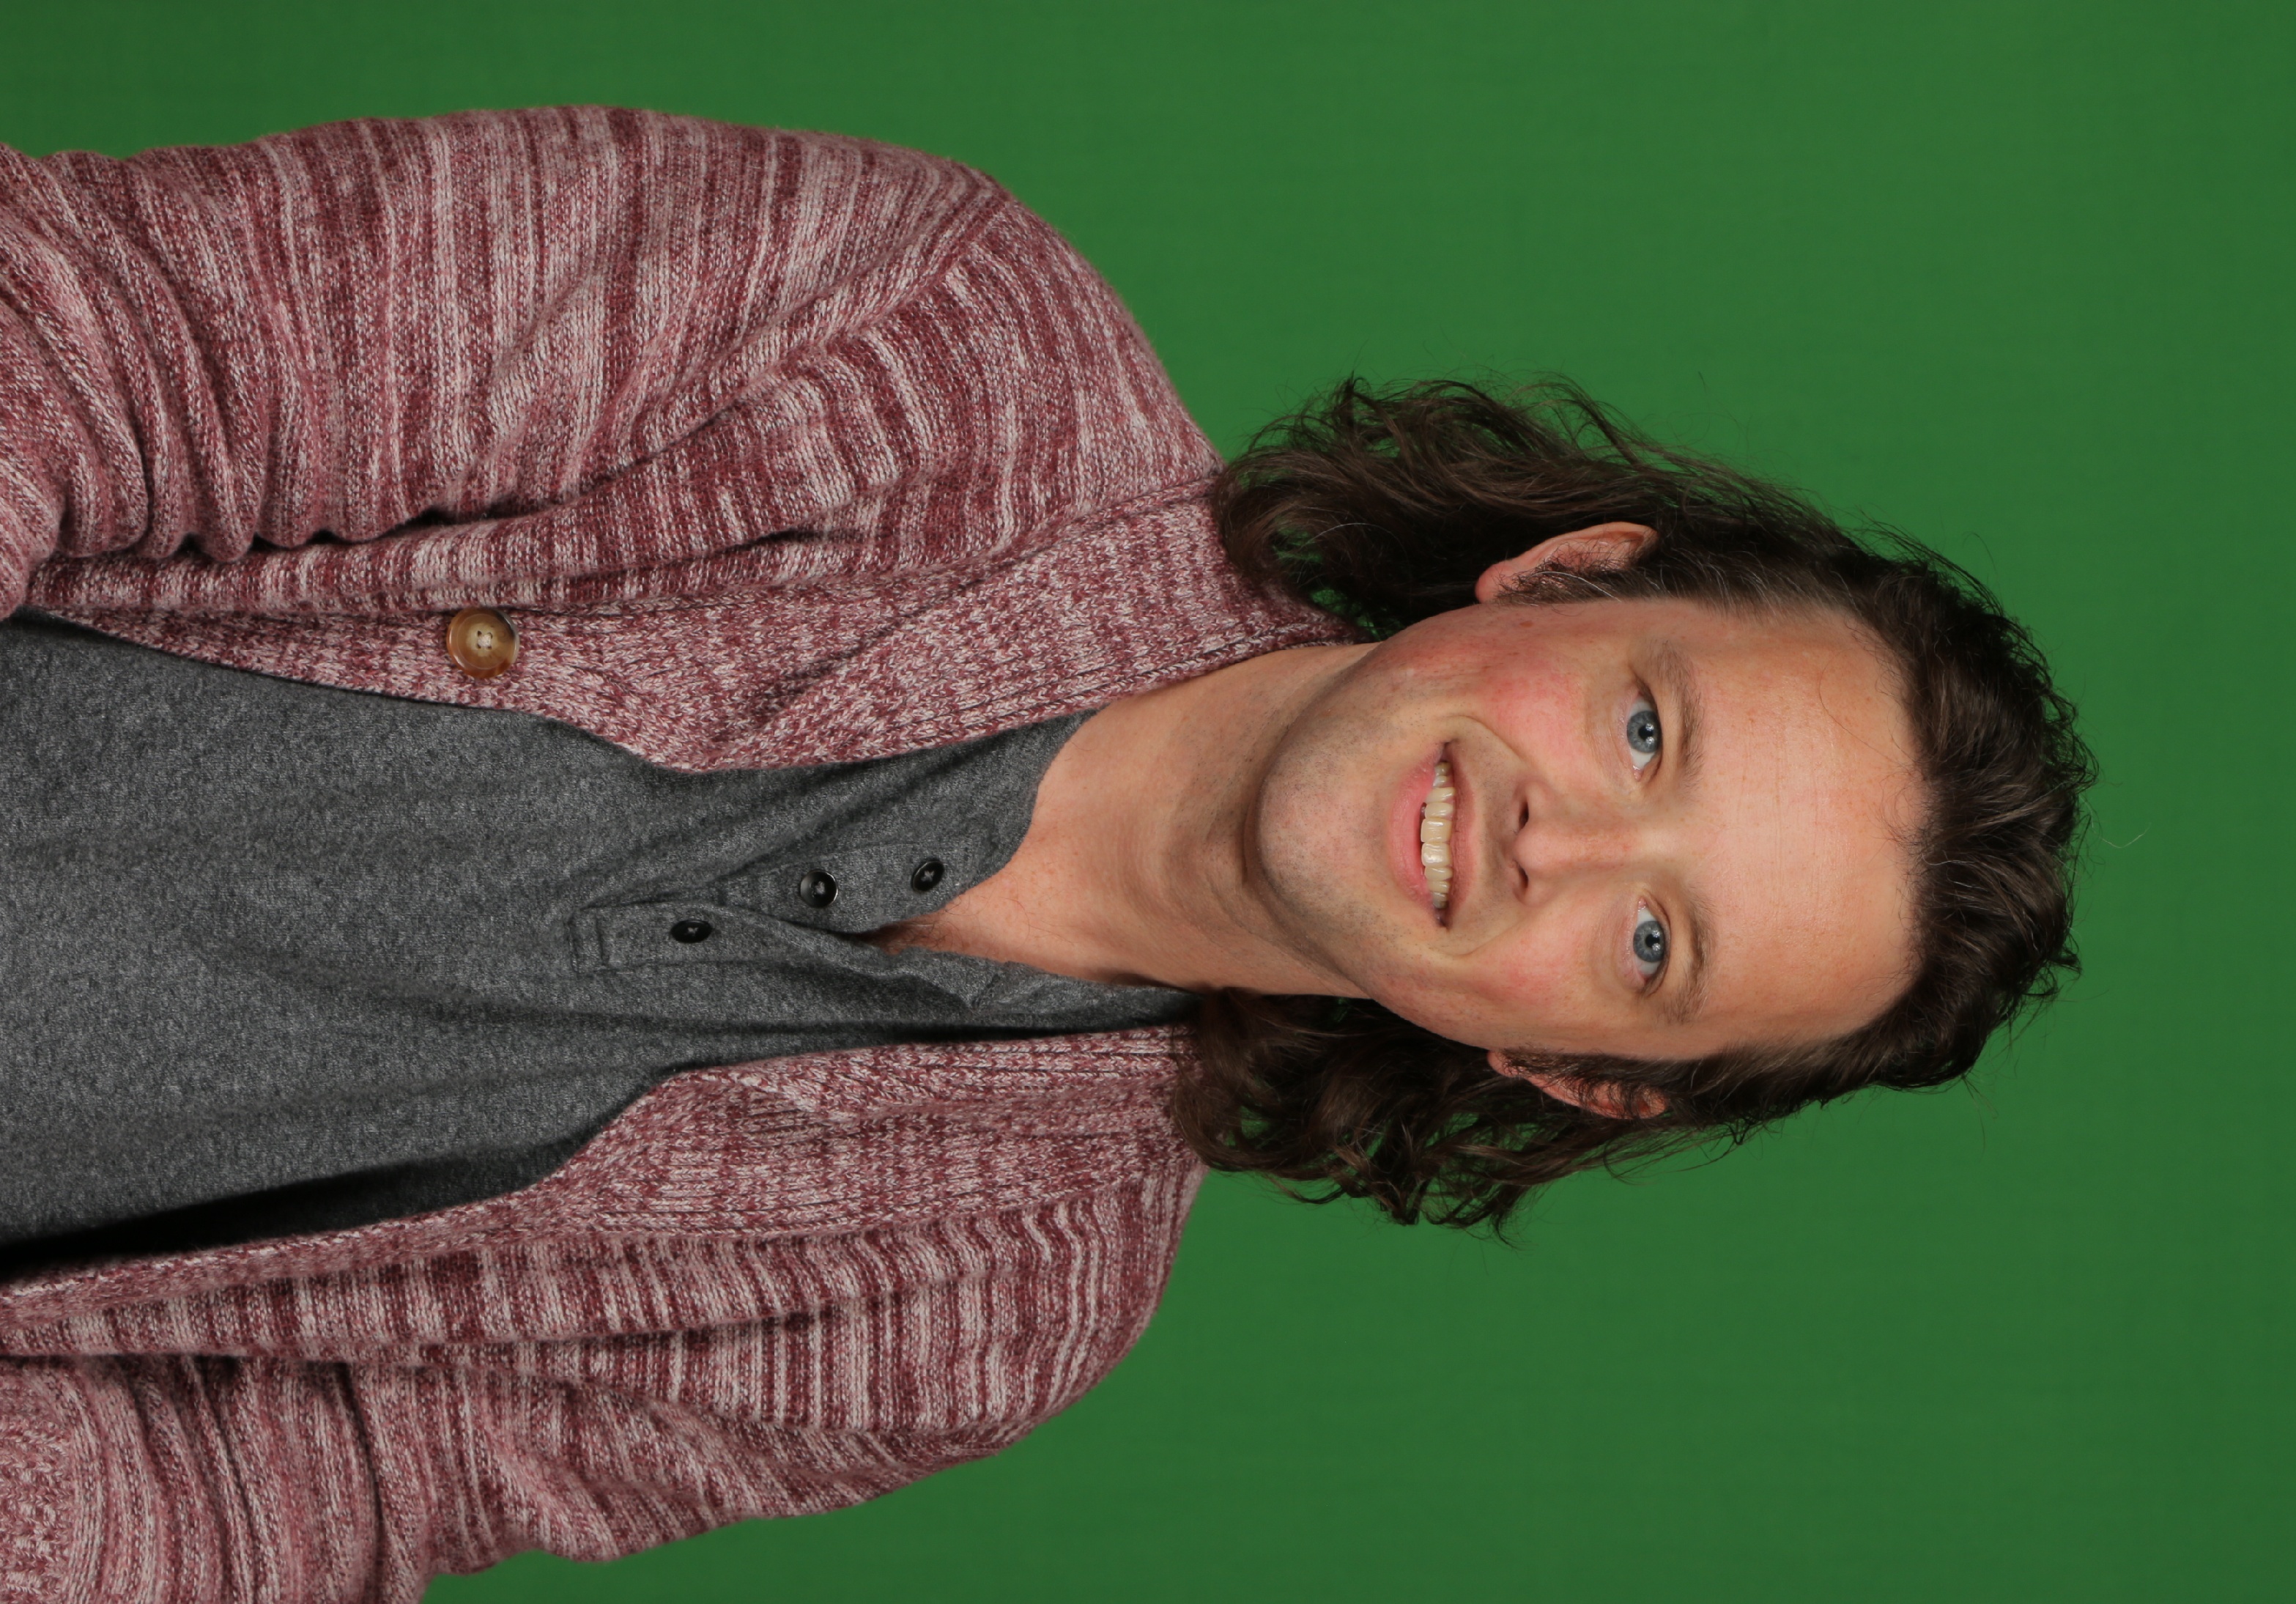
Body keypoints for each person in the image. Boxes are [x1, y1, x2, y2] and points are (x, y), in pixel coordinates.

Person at [0, 106, 2090, 1600]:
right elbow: (91, 332)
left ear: (1564, 1069)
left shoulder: (981, 1325)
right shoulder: (928, 340)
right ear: (1563, 572)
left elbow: (278, 1493)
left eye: (1653, 943)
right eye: (1646, 730)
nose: (1566, 839)